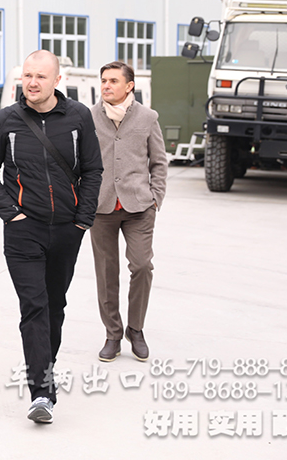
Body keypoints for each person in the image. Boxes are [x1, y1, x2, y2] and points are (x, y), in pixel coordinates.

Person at [0, 50, 102, 424]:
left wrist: (82, 220)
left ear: (57, 80)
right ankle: (42, 392)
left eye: (40, 76)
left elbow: (93, 169)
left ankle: (44, 364)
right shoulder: (4, 120)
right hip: (23, 231)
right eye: (27, 75)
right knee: (34, 306)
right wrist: (11, 214)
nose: (32, 82)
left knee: (55, 306)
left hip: (66, 229)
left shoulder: (78, 116)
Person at [90, 61, 167, 363]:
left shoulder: (148, 117)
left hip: (139, 207)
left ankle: (136, 329)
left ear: (129, 85)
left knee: (142, 266)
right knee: (106, 274)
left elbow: (159, 162)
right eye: (103, 80)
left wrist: (156, 197)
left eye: (113, 81)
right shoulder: (89, 117)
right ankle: (113, 334)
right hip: (101, 208)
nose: (106, 85)